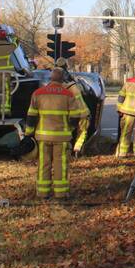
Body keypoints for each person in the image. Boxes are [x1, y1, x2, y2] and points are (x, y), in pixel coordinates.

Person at [24, 68, 88, 199]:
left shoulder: (37, 93)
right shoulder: (68, 95)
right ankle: (61, 193)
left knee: (44, 164)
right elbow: (75, 117)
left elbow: (31, 116)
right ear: (63, 79)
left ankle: (42, 192)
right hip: (62, 138)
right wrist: (69, 129)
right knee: (60, 165)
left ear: (50, 78)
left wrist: (29, 134)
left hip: (43, 137)